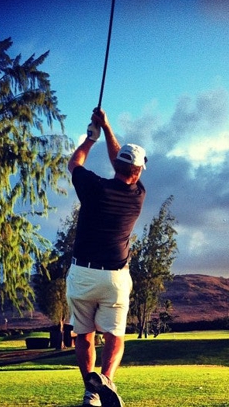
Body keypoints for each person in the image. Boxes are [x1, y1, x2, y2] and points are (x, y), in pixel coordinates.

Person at [66, 108, 147, 407]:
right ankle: (107, 378)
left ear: (118, 167)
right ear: (136, 172)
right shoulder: (137, 196)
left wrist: (91, 138)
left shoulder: (93, 187)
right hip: (114, 277)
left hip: (83, 274)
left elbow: (74, 163)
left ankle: (91, 391)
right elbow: (122, 165)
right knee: (115, 335)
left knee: (83, 334)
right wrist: (109, 130)